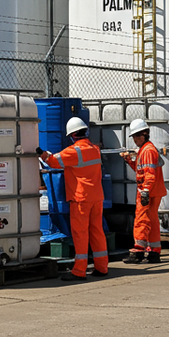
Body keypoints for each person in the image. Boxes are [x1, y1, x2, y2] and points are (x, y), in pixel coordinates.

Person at [38, 117, 109, 281]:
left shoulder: (74, 151)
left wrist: (42, 154)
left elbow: (53, 162)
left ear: (73, 135)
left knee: (80, 234)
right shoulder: (95, 149)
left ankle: (79, 270)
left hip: (81, 198)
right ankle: (102, 267)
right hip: (97, 197)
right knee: (97, 231)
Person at [121, 118, 167, 264]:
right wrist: (129, 160)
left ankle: (138, 251)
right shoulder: (146, 149)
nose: (135, 139)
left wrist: (145, 190)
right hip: (153, 191)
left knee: (141, 220)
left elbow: (149, 174)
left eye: (137, 136)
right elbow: (141, 170)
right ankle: (154, 252)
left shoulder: (147, 150)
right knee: (152, 221)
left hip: (147, 192)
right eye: (134, 136)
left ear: (145, 134)